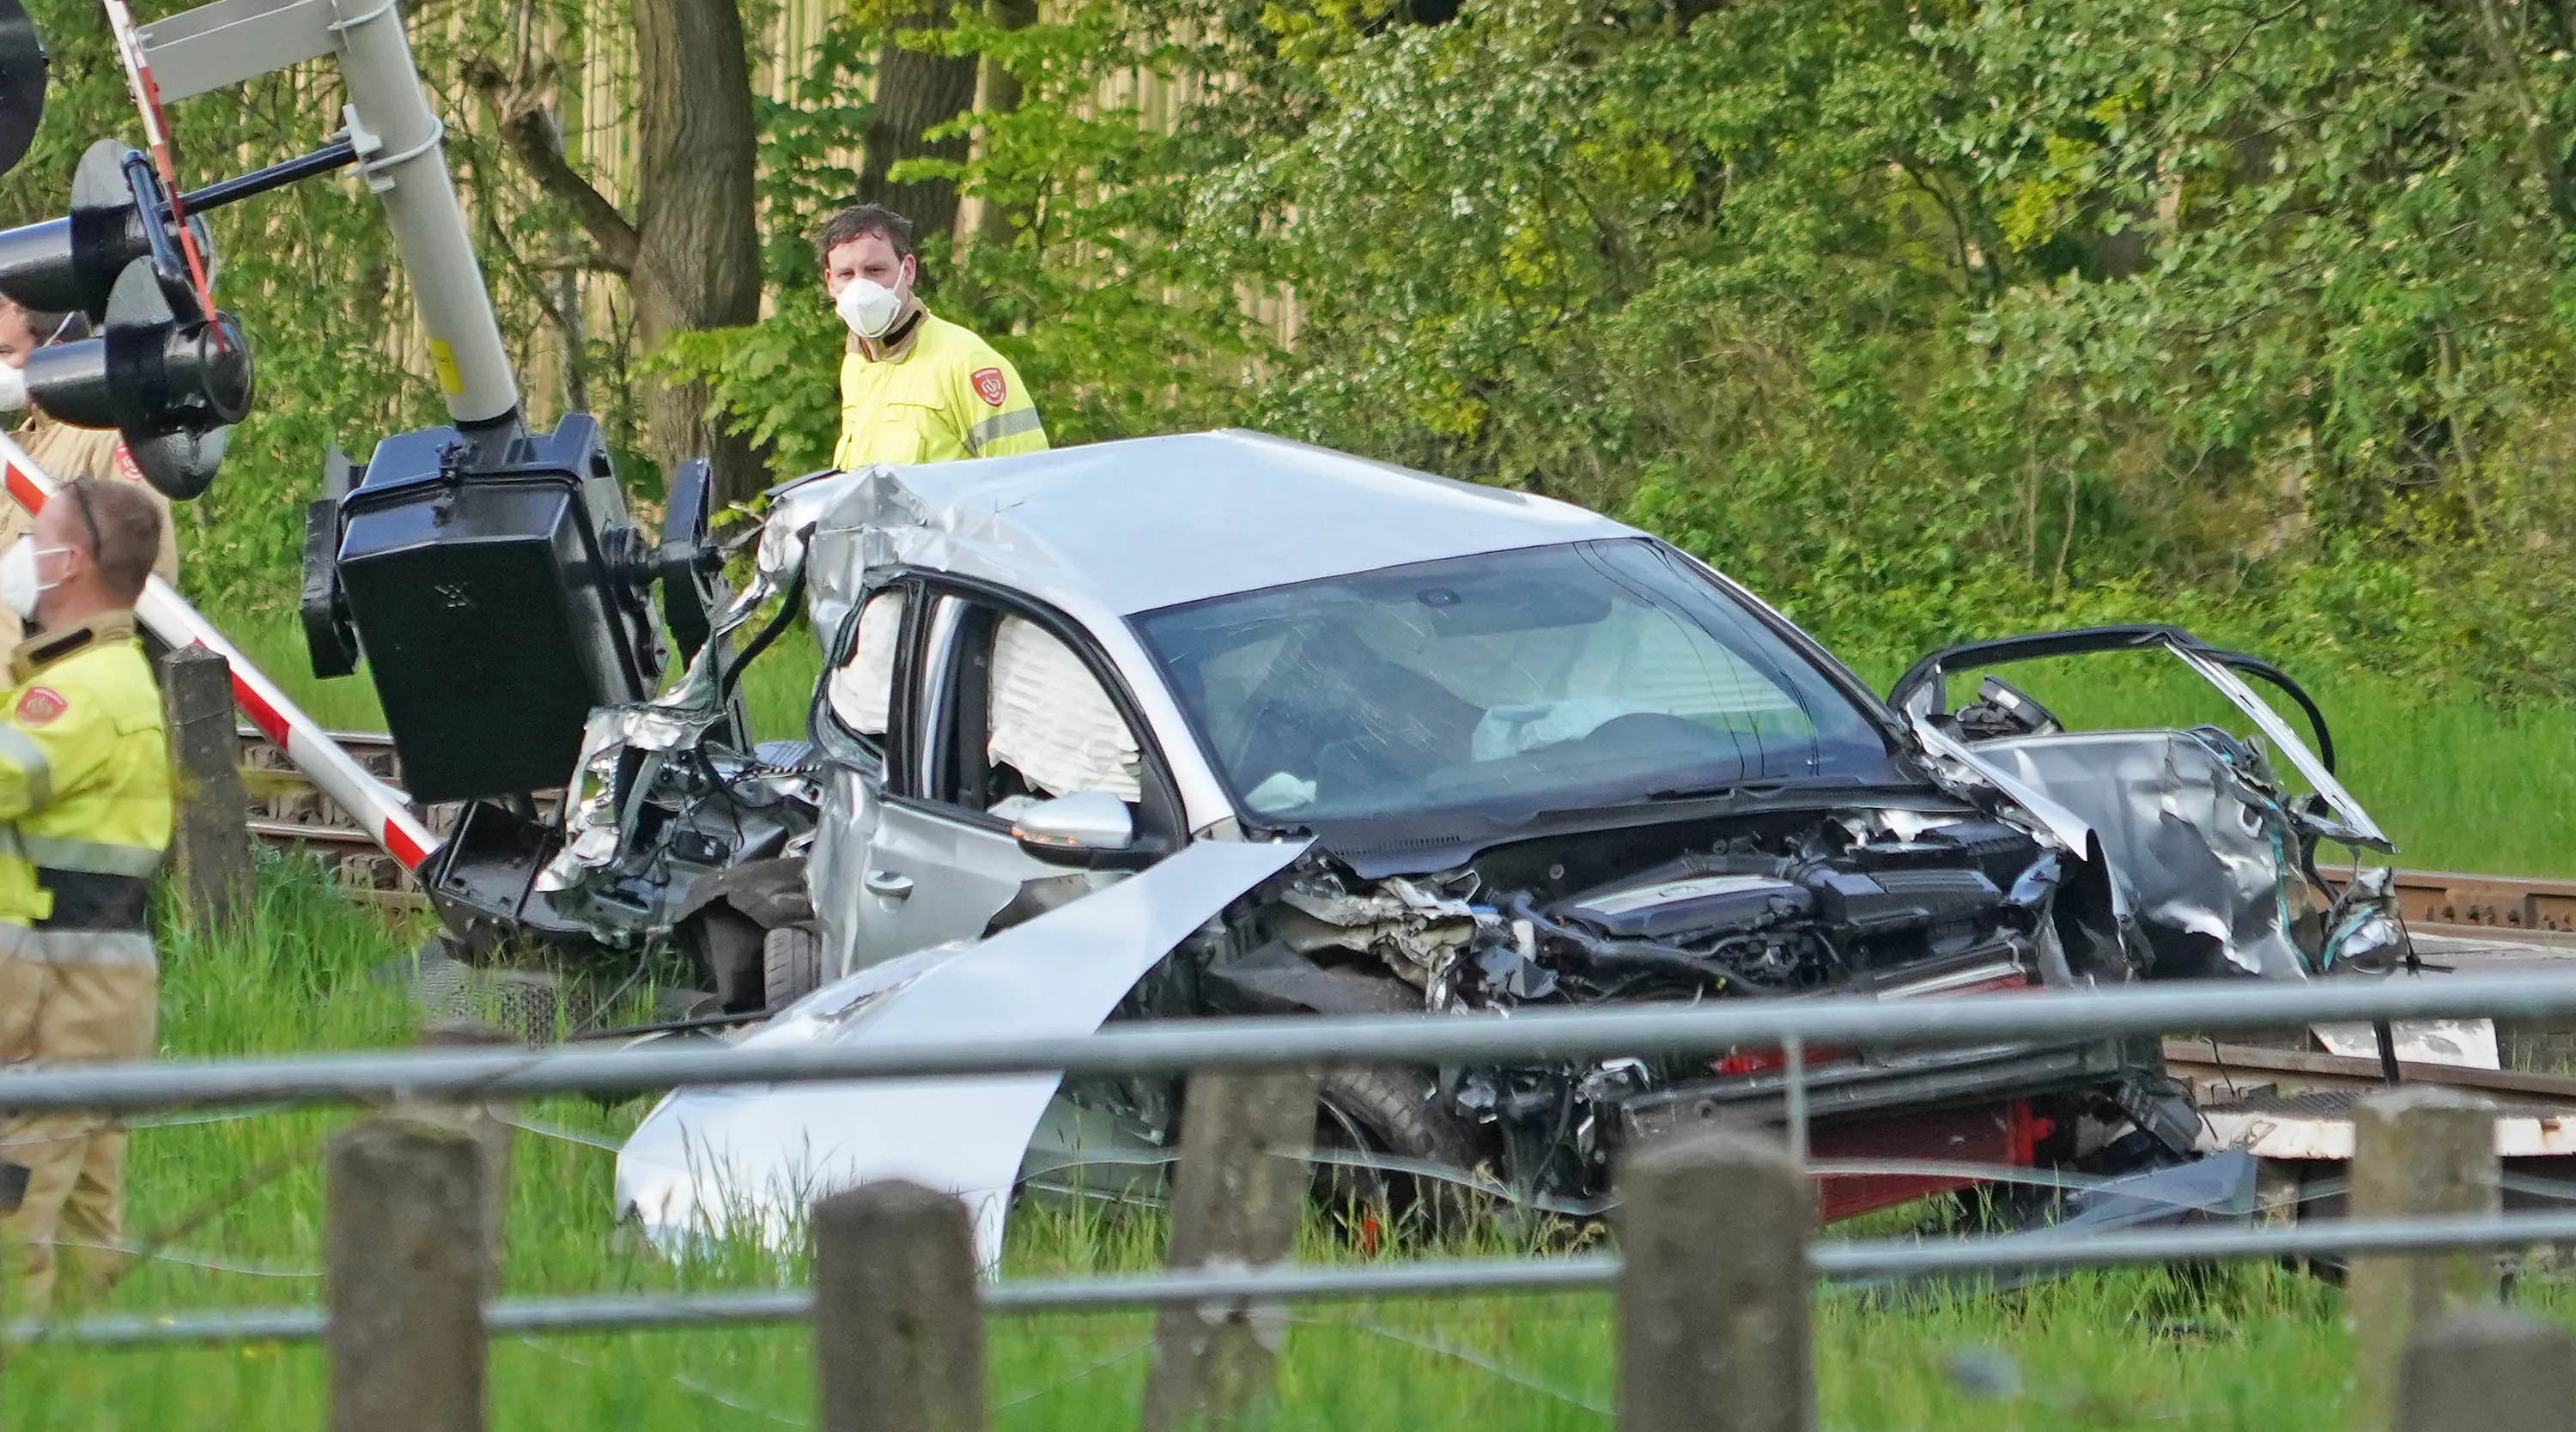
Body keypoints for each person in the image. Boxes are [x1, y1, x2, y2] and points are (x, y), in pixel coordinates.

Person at [0, 477, 173, 1312]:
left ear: (69, 563)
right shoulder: (108, 675)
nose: (21, 553)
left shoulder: (77, 692)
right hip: (99, 989)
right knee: (83, 1220)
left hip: (54, 999)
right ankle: (87, 1385)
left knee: (15, 1217)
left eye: (37, 537)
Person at [0, 296, 179, 651]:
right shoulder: (19, 445)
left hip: (64, 678)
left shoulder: (104, 436)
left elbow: (148, 573)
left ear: (55, 349)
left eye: (5, 353)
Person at [817, 204, 1049, 469]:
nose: (860, 287)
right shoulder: (855, 363)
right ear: (830, 282)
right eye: (846, 274)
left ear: (908, 271)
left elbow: (1029, 480)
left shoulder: (967, 362)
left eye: (875, 271)